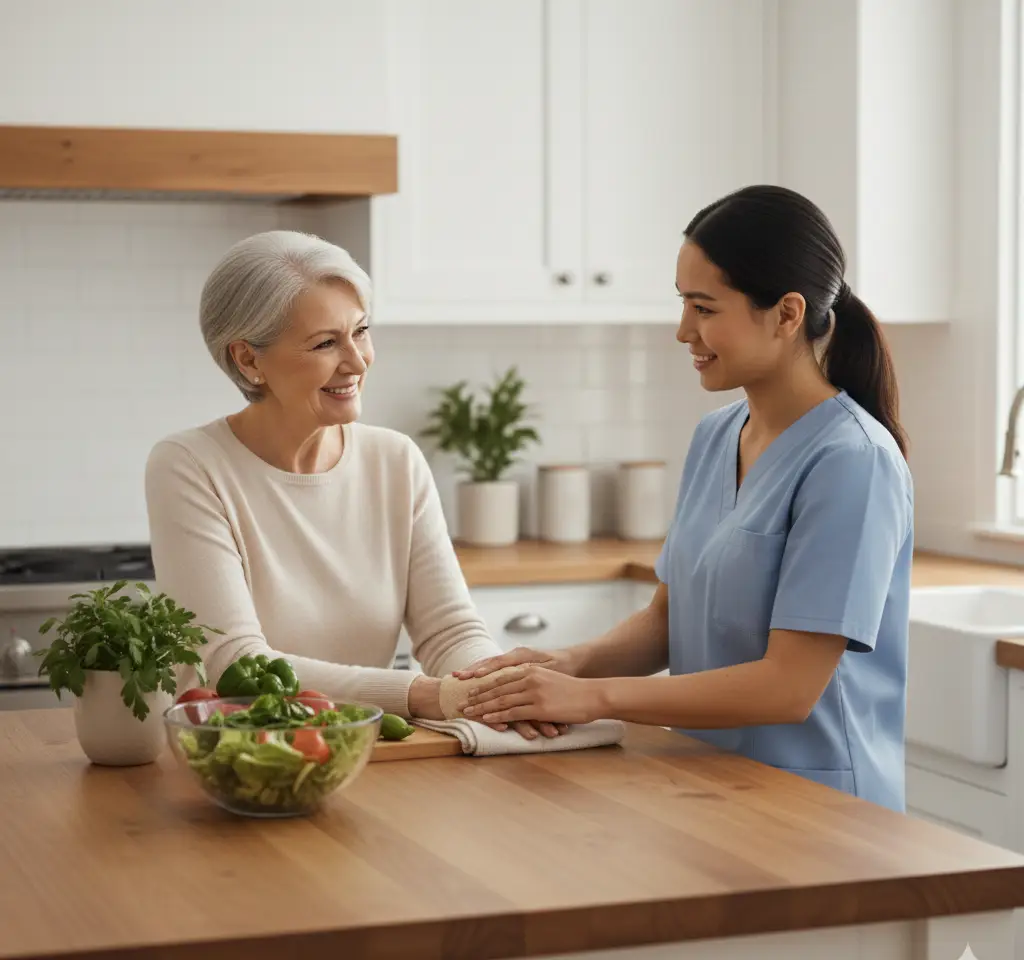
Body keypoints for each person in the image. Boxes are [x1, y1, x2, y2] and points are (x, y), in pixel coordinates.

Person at [454, 185, 914, 811]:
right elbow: (666, 623)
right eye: (683, 304)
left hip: (818, 806)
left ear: (786, 314)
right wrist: (568, 663)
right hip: (710, 786)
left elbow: (789, 688)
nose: (682, 331)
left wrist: (594, 697)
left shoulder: (853, 461)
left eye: (704, 307)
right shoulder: (716, 435)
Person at [145, 230, 561, 740]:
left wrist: (498, 686)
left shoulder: (395, 460)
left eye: (360, 331)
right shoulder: (190, 465)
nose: (358, 361)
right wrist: (426, 694)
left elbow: (450, 630)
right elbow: (234, 663)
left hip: (365, 754)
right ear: (248, 360)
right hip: (242, 758)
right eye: (325, 343)